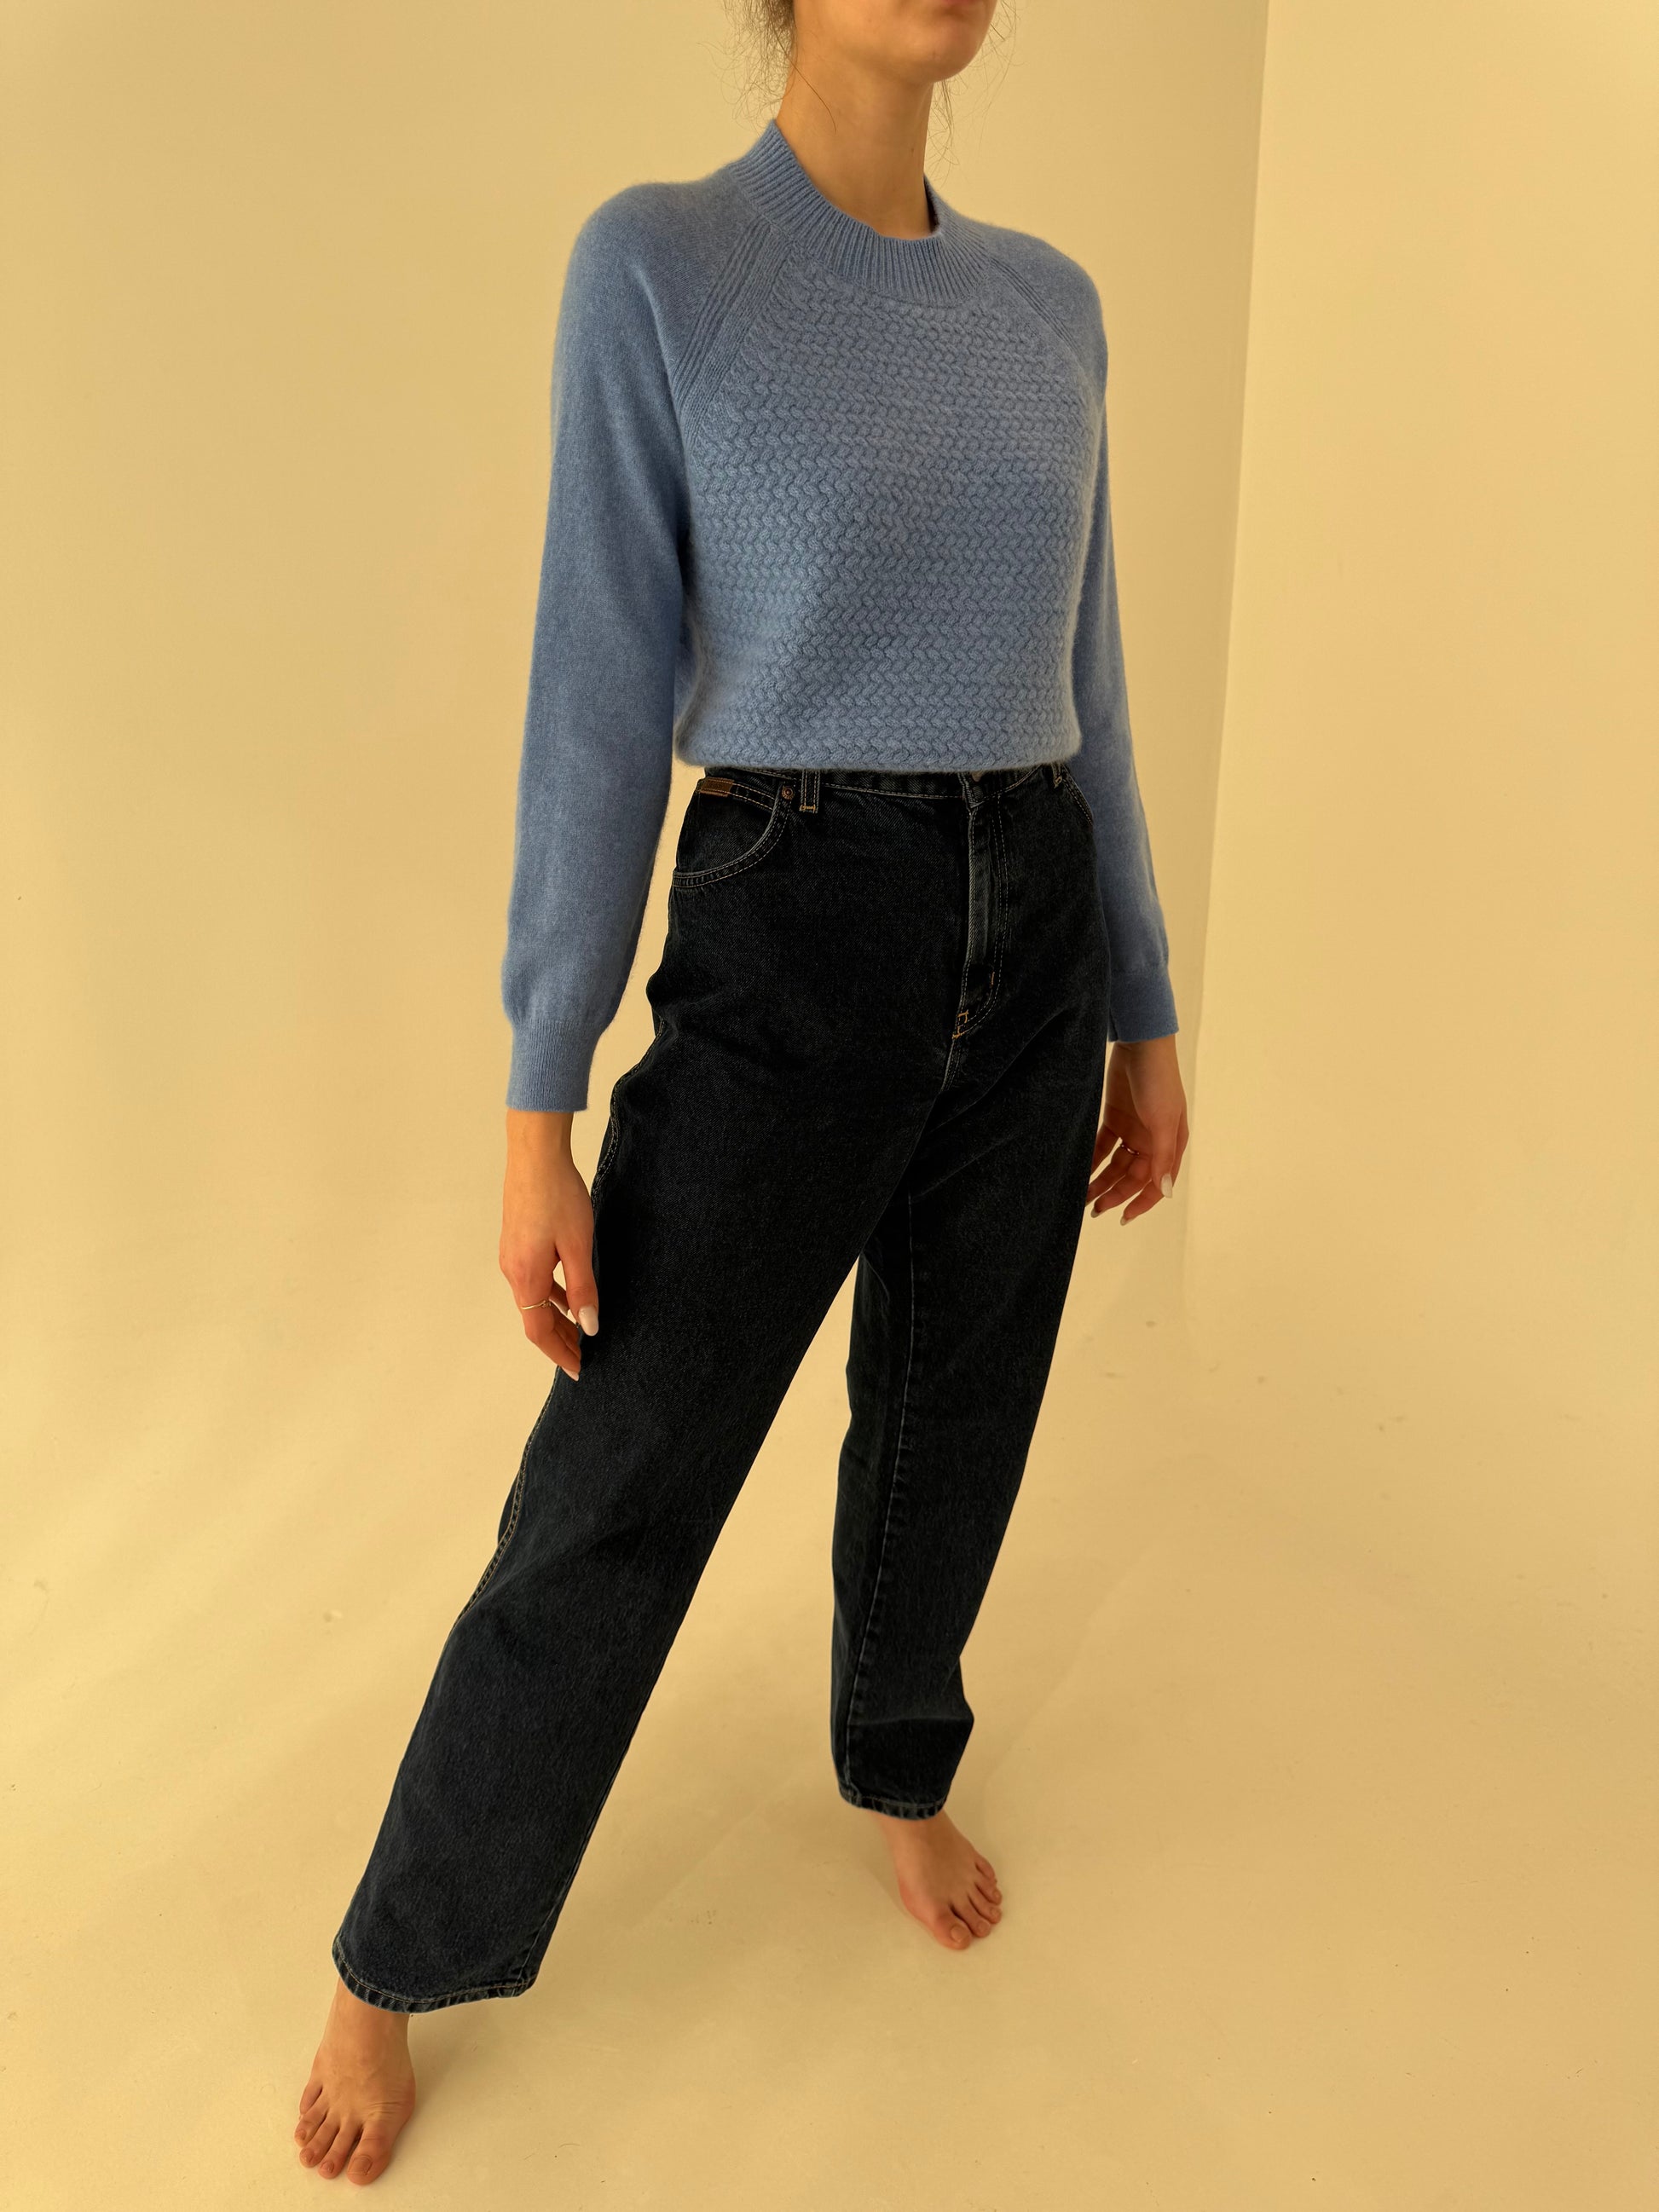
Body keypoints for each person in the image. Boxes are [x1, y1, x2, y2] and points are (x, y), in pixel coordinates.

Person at [292, 0, 1190, 2185]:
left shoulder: (1052, 308)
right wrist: (540, 1106)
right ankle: (397, 1952)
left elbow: (1086, 676)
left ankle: (896, 1763)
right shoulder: (659, 266)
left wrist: (1141, 1002)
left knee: (957, 1415)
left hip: (1032, 909)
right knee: (621, 1479)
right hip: (797, 919)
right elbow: (596, 694)